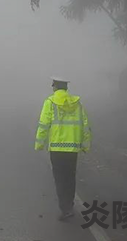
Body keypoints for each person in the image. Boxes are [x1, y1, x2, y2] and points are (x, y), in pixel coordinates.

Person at [34, 77, 92, 220]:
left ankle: (65, 208)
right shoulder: (77, 104)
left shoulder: (50, 102)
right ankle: (70, 205)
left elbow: (43, 125)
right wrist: (85, 145)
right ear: (66, 88)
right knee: (70, 178)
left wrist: (39, 144)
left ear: (54, 87)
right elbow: (85, 126)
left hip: (57, 149)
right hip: (72, 149)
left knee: (60, 179)